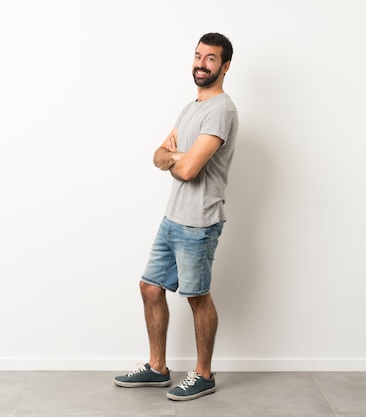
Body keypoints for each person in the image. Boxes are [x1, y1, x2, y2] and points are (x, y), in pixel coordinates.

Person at [114, 32, 238, 401]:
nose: (201, 63)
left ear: (225, 66)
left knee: (197, 297)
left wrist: (177, 159)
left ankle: (204, 374)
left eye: (211, 58)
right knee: (150, 287)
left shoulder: (221, 111)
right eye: (198, 56)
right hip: (173, 217)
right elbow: (158, 154)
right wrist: (176, 157)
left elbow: (188, 171)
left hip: (199, 221)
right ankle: (157, 368)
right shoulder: (190, 109)